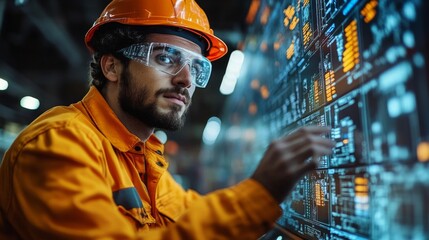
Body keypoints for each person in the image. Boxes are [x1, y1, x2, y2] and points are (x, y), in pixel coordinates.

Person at [0, 0, 335, 239]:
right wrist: (256, 194)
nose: (186, 79)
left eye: (196, 67)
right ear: (112, 66)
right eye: (165, 57)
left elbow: (188, 217)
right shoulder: (58, 143)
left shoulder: (144, 157)